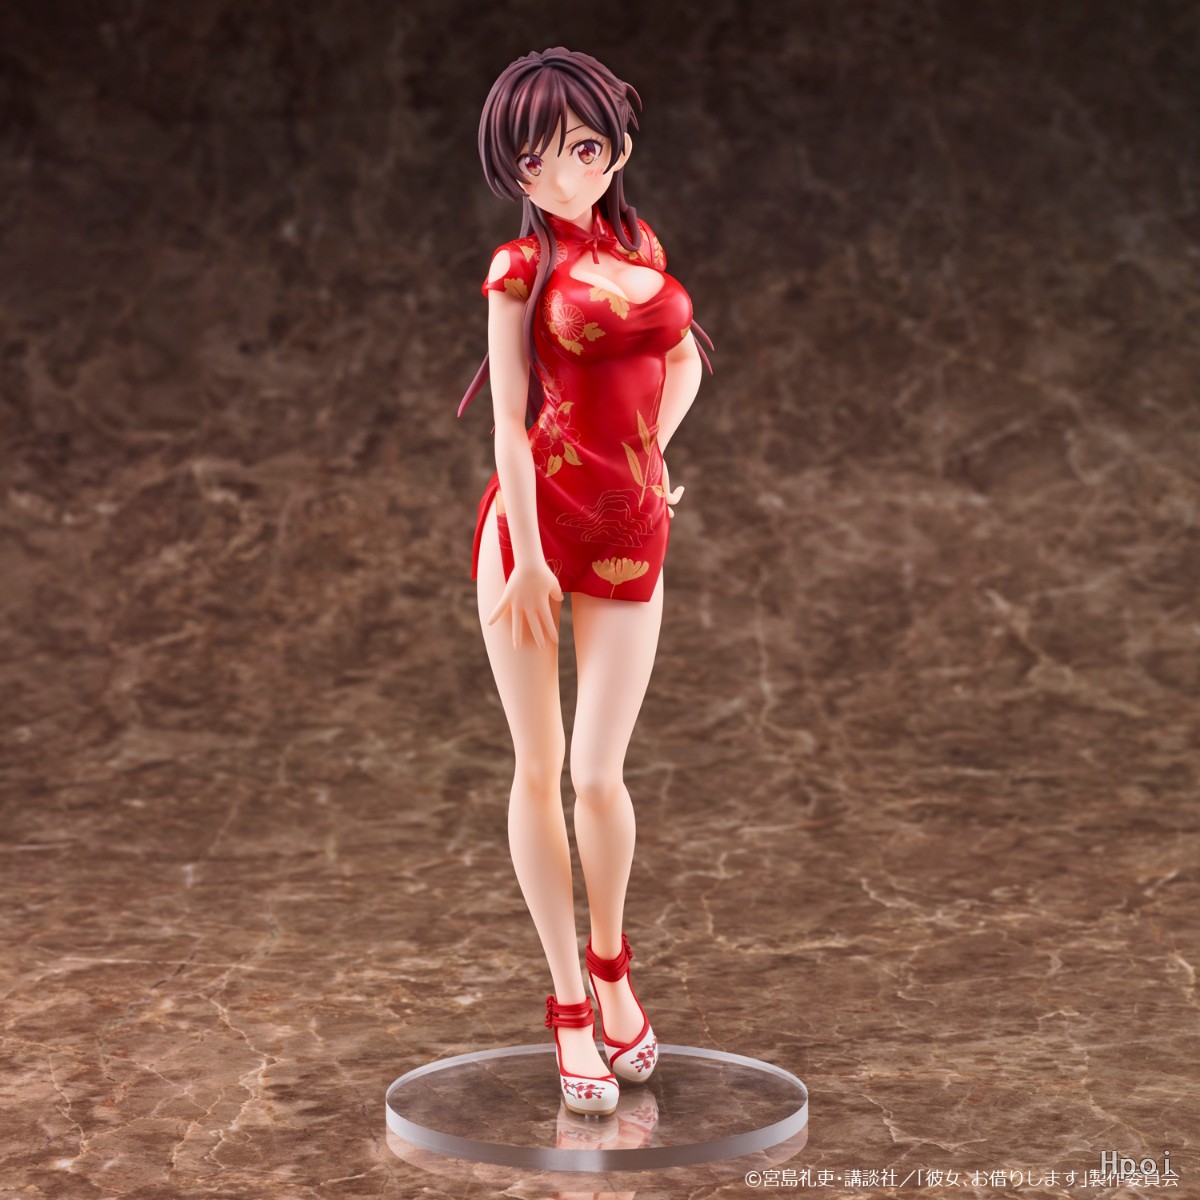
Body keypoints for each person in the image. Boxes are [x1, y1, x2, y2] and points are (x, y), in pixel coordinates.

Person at [457, 46, 712, 1117]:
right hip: (531, 527)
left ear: (617, 146)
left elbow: (683, 360)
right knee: (539, 765)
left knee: (600, 774)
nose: (560, 176)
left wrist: (651, 461)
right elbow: (508, 423)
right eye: (534, 160)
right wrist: (524, 553)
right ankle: (567, 1002)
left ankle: (612, 967)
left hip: (627, 528)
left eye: (581, 150)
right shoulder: (519, 267)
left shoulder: (642, 247)